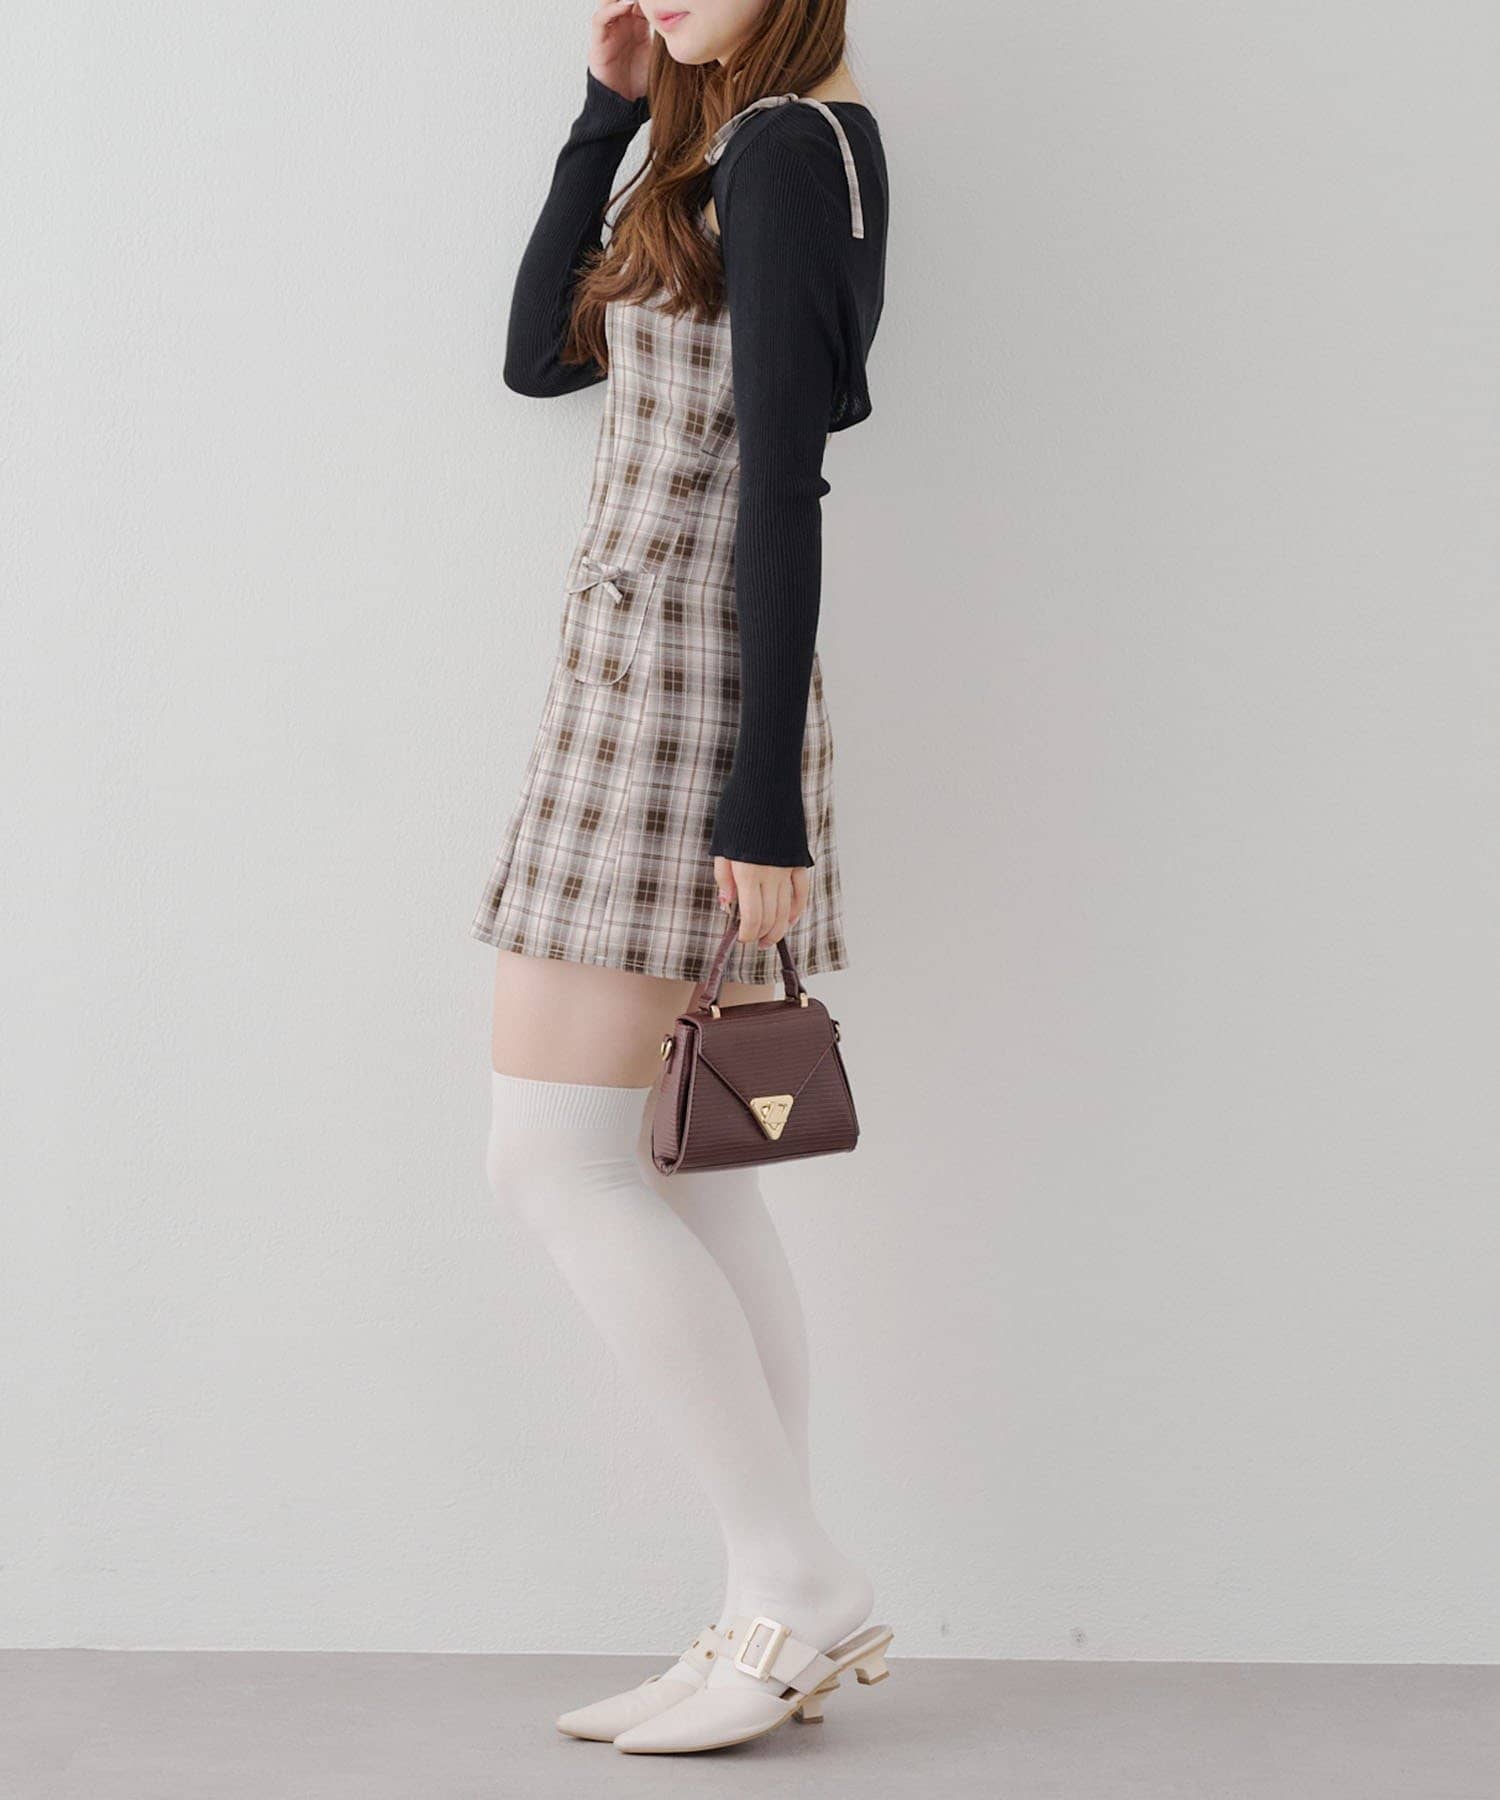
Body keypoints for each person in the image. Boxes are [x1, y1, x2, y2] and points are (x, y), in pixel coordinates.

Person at [472, 0, 892, 1755]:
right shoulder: (728, 147)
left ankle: (795, 1580)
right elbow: (535, 359)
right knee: (682, 1167)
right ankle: (760, 1605)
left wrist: (763, 802)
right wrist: (606, 114)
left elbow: (784, 485)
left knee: (554, 1157)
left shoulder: (791, 153)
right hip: (625, 682)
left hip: (685, 696)